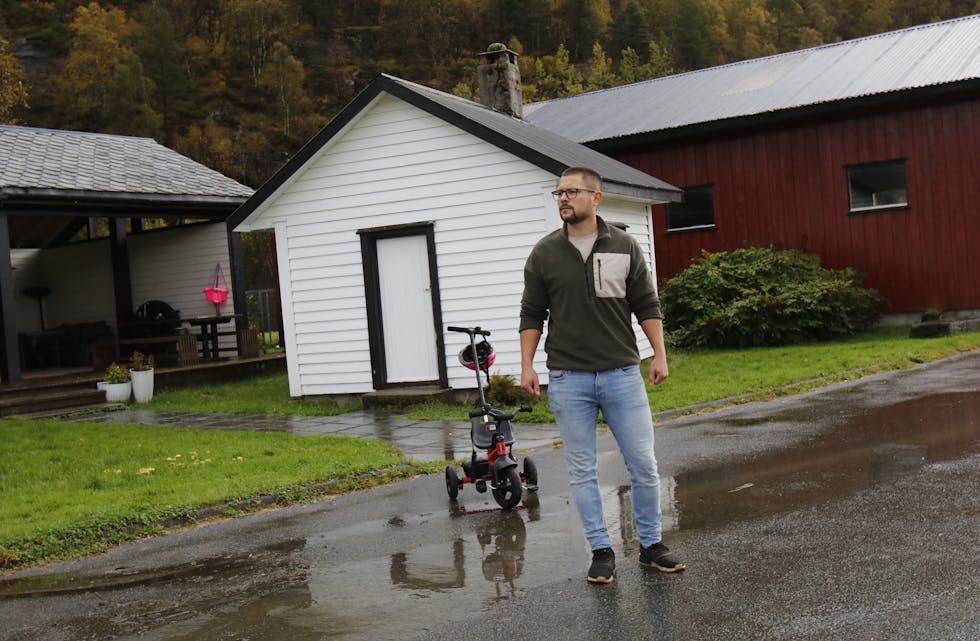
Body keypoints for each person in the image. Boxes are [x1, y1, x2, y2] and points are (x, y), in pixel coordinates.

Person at [519, 166, 685, 584]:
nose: (563, 199)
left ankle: (651, 546)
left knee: (644, 464)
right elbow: (531, 314)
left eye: (571, 192)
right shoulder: (544, 253)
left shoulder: (625, 246)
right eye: (558, 193)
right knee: (582, 470)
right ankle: (601, 551)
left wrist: (659, 355)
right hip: (568, 378)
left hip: (621, 374)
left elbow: (646, 304)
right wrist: (527, 365)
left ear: (596, 198)